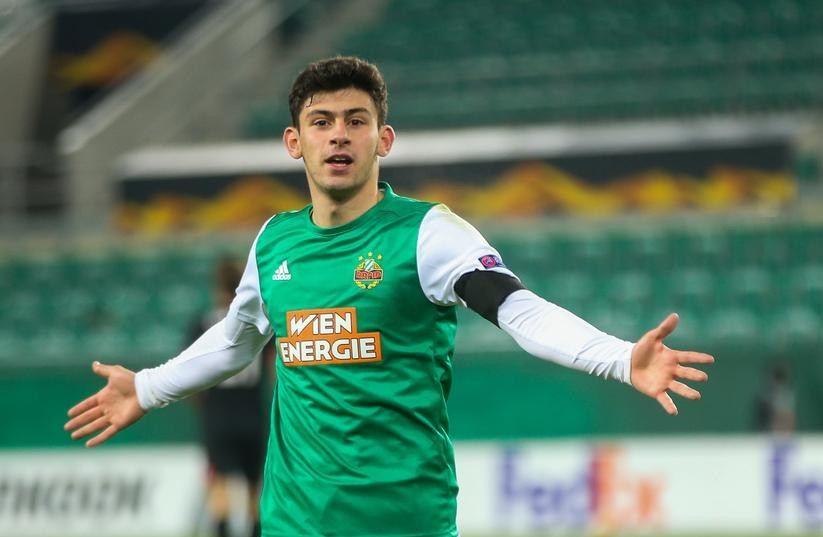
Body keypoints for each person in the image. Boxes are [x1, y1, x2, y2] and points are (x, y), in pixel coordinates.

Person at [65, 56, 715, 537]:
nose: (338, 135)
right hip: (295, 521)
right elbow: (236, 340)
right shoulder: (273, 242)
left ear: (384, 138)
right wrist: (147, 387)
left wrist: (618, 357)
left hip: (405, 519)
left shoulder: (429, 234)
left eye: (356, 121)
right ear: (294, 141)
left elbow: (518, 310)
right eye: (321, 122)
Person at [190, 258, 271, 537]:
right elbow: (273, 366)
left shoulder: (203, 322)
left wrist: (204, 408)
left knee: (220, 483)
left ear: (217, 288)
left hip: (218, 416)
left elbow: (190, 372)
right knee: (253, 485)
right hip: (252, 414)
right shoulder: (257, 320)